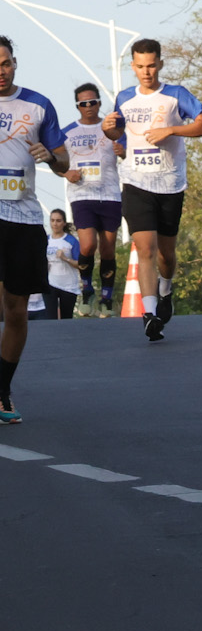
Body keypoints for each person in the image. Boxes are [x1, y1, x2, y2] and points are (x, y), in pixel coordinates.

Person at [107, 37, 202, 341]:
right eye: (141, 66)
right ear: (132, 66)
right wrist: (109, 132)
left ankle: (165, 289)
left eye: (152, 65)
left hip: (169, 183)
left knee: (166, 255)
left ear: (161, 64)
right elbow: (118, 133)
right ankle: (150, 313)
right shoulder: (124, 97)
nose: (147, 72)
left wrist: (172, 129)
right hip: (136, 182)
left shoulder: (176, 95)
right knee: (145, 249)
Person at [0, 37, 70, 422]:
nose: (1, 71)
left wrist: (51, 156)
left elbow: (64, 161)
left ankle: (2, 391)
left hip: (24, 219)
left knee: (16, 312)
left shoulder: (39, 105)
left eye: (6, 63)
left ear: (15, 63)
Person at [59, 83, 118, 314]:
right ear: (77, 106)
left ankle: (106, 298)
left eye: (92, 102)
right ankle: (86, 289)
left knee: (108, 250)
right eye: (83, 103)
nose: (89, 107)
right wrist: (66, 173)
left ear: (99, 103)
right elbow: (55, 160)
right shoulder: (67, 132)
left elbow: (127, 150)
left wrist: (123, 151)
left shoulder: (112, 129)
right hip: (82, 195)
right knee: (88, 244)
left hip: (110, 194)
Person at [42, 211, 83, 321]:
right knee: (50, 319)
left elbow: (80, 264)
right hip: (50, 283)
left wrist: (65, 258)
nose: (55, 224)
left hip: (68, 285)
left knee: (66, 319)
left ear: (64, 223)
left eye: (58, 221)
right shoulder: (46, 240)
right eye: (52, 220)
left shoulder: (71, 241)